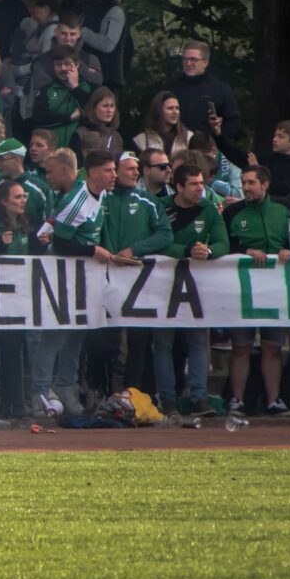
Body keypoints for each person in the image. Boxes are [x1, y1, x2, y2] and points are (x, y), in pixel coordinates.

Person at [37, 148, 117, 416]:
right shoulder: (77, 200)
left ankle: (65, 385)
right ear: (94, 173)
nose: (114, 175)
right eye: (109, 170)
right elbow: (60, 242)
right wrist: (92, 251)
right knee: (55, 334)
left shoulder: (100, 195)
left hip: (84, 280)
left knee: (77, 334)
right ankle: (40, 392)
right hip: (64, 278)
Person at [222, 167, 290, 416]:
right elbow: (224, 244)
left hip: (276, 288)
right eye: (244, 182)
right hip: (242, 288)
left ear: (265, 184)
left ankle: (273, 401)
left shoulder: (284, 208)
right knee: (241, 346)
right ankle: (236, 400)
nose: (246, 187)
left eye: (251, 183)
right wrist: (245, 252)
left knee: (272, 346)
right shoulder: (233, 212)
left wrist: (289, 251)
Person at [94, 152, 172, 400]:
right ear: (115, 171)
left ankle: (134, 392)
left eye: (136, 169)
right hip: (103, 277)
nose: (135, 173)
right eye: (129, 169)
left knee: (140, 338)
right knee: (105, 338)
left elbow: (165, 235)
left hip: (139, 279)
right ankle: (101, 391)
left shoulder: (148, 201)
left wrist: (134, 249)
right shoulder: (99, 199)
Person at [156, 160, 228, 411]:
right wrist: (185, 250)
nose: (201, 188)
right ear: (178, 187)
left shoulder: (209, 209)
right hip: (160, 284)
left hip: (196, 285)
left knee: (197, 340)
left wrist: (208, 251)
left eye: (202, 183)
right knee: (163, 342)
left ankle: (199, 397)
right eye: (194, 184)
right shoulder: (160, 207)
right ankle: (167, 398)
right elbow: (154, 241)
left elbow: (223, 243)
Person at [0, 178, 42, 419]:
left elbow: (35, 252)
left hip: (23, 294)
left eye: (24, 196)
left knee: (18, 347)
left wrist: (41, 243)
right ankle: (7, 402)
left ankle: (18, 402)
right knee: (7, 347)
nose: (22, 201)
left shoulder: (30, 221)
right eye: (17, 197)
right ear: (3, 201)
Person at [170, 40, 243, 142]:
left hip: (208, 150)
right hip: (177, 148)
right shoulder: (172, 88)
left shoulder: (221, 90)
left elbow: (234, 125)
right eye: (185, 59)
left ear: (206, 62)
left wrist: (218, 134)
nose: (188, 63)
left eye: (193, 59)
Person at [26, 44, 92, 150]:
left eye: (67, 64)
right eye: (58, 64)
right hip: (51, 152)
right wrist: (69, 117)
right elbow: (38, 118)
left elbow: (93, 115)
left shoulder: (89, 88)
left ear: (77, 65)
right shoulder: (46, 90)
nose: (63, 68)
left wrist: (75, 88)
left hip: (80, 152)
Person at [77, 0, 129, 88]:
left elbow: (108, 44)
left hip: (107, 80)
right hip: (90, 76)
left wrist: (81, 31)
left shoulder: (114, 10)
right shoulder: (89, 6)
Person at [131, 91, 193, 158]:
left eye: (177, 108)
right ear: (158, 110)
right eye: (170, 108)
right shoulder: (141, 140)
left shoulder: (188, 137)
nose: (175, 112)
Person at [76, 87, 123, 156]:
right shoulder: (80, 134)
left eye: (112, 106)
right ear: (94, 108)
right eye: (105, 106)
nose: (109, 110)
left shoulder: (117, 137)